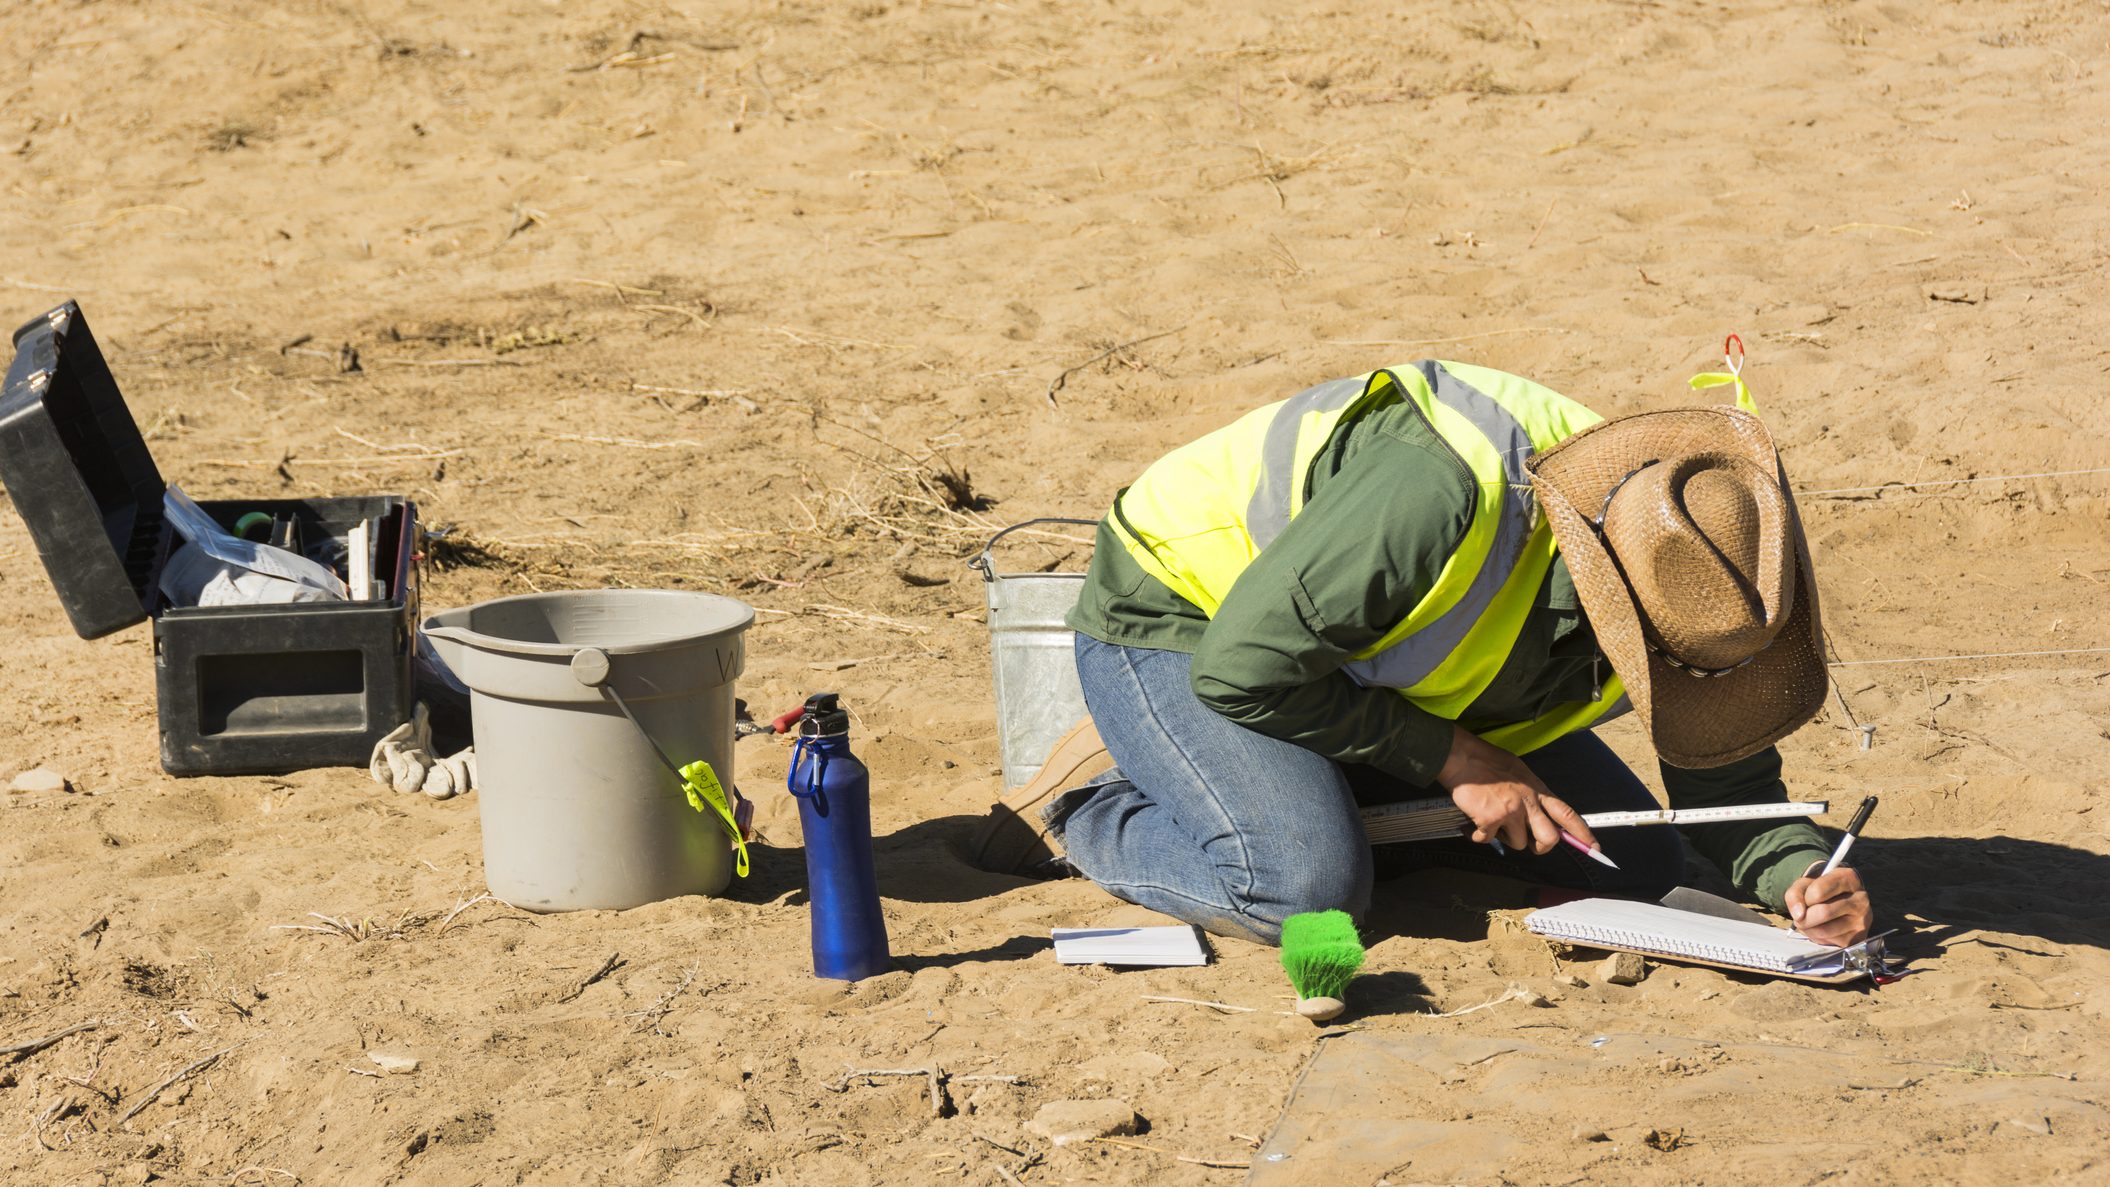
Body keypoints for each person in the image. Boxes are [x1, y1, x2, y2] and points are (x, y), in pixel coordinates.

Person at [974, 360, 1874, 949]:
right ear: (1597, 586)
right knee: (1302, 894)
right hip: (1187, 625)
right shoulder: (1441, 495)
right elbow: (1241, 669)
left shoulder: (1710, 562)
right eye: (1662, 668)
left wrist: (1803, 874)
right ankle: (1091, 802)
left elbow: (1724, 774)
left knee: (1635, 866)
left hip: (1351, 669)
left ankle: (1301, 785)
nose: (1675, 686)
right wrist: (1457, 758)